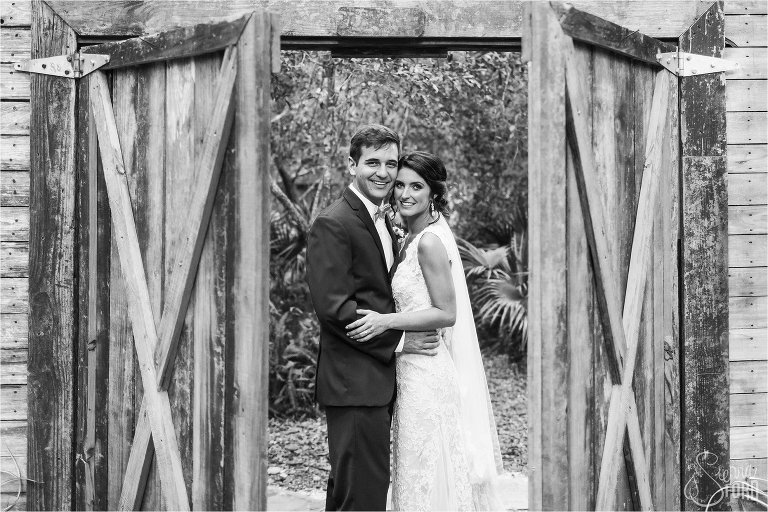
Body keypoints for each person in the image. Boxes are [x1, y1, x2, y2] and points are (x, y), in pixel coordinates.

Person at [346, 151, 505, 510]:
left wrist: (385, 321)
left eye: (416, 186)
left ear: (433, 193)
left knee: (426, 471)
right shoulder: (409, 238)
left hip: (427, 376)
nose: (404, 193)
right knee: (414, 470)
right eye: (399, 185)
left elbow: (446, 312)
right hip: (409, 369)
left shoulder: (430, 242)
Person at [306, 125, 441, 511]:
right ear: (352, 165)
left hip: (376, 384)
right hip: (354, 383)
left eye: (390, 163)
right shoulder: (334, 222)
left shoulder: (384, 220)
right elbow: (336, 309)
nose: (383, 172)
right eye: (372, 162)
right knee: (362, 495)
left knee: (353, 491)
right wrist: (401, 340)